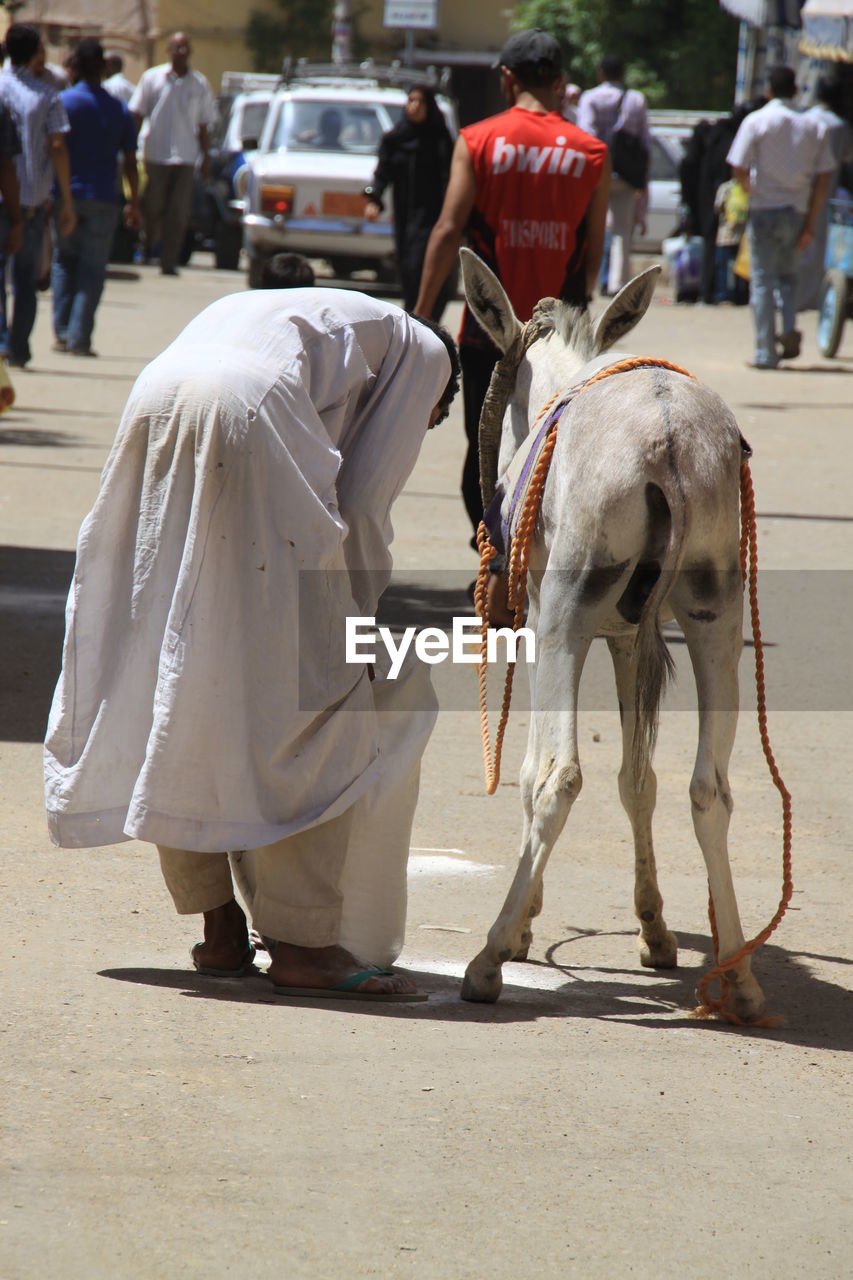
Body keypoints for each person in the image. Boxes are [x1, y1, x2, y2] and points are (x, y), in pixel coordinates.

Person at [44, 288, 460, 1000]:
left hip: (159, 397)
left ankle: (220, 928)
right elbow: (360, 502)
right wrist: (346, 630)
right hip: (248, 405)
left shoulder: (320, 317)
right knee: (312, 697)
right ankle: (305, 946)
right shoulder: (424, 353)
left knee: (176, 670)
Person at [415, 28, 609, 543]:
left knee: (487, 451)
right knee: (555, 447)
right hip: (563, 337)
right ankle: (530, 558)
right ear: (562, 83)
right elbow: (592, 255)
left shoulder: (478, 141)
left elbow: (447, 231)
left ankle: (494, 552)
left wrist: (420, 311)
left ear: (507, 80)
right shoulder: (591, 153)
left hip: (490, 336)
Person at [727, 64, 834, 368]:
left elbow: (738, 164)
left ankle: (765, 352)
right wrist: (811, 218)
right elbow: (824, 175)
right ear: (796, 90)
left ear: (769, 91)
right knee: (788, 278)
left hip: (764, 209)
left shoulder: (757, 120)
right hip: (797, 210)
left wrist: (751, 192)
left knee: (761, 280)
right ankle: (787, 330)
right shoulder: (814, 125)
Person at [51, 38, 139, 356]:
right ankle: (79, 338)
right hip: (103, 198)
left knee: (64, 261)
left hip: (65, 196)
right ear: (104, 68)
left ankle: (62, 331)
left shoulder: (64, 102)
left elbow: (53, 149)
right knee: (92, 269)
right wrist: (135, 201)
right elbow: (130, 160)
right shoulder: (118, 109)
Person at [0, 23, 75, 367]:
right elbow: (57, 145)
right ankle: (17, 348)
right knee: (26, 279)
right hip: (30, 201)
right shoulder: (46, 97)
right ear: (35, 54)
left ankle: (1, 342)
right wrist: (66, 202)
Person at [364, 83, 454, 316]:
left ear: (429, 106)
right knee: (407, 268)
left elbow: (450, 178)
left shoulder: (440, 140)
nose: (413, 106)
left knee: (423, 265)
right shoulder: (395, 139)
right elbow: (383, 173)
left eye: (419, 101)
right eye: (410, 101)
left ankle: (424, 316)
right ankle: (414, 315)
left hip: (434, 217)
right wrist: (374, 198)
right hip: (405, 217)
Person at [129, 32, 214, 276]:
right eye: (177, 48)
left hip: (186, 158)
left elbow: (204, 125)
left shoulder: (200, 84)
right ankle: (147, 245)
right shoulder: (152, 78)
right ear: (168, 51)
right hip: (155, 154)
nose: (181, 52)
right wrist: (129, 148)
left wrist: (206, 158)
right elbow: (137, 114)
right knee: (153, 207)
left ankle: (168, 261)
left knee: (178, 213)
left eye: (185, 47)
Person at [577, 53, 650, 296]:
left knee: (590, 227)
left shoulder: (590, 98)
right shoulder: (636, 100)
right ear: (623, 74)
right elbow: (645, 144)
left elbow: (584, 135)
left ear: (600, 73)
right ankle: (616, 284)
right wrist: (642, 180)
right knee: (621, 230)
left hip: (596, 171)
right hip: (626, 174)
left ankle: (588, 281)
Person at [797, 74, 853, 310]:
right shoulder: (840, 127)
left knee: (794, 246)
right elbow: (848, 158)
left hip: (797, 189)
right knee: (818, 246)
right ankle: (810, 299)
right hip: (825, 191)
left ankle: (789, 297)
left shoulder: (804, 120)